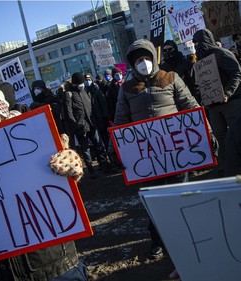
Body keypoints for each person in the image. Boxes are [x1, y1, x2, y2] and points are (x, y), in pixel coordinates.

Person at [0, 81, 88, 281]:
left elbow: (64, 179)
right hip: (4, 272)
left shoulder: (33, 141)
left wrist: (71, 162)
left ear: (3, 117)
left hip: (53, 265)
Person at [112, 38, 214, 260]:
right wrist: (116, 149)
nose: (143, 62)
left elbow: (191, 106)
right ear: (132, 63)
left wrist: (207, 132)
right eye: (138, 60)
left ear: (153, 58)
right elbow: (120, 120)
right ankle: (159, 241)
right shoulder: (127, 88)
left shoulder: (171, 77)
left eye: (146, 57)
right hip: (148, 158)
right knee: (154, 201)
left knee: (181, 196)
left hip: (177, 153)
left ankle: (190, 236)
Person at [193, 28, 241, 177]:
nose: (196, 45)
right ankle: (226, 168)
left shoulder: (222, 54)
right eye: (194, 43)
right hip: (213, 106)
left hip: (231, 102)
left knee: (236, 135)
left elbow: (237, 73)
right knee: (220, 137)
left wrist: (227, 92)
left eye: (198, 42)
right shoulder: (200, 61)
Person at [63, 72, 110, 178]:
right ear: (74, 84)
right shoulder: (69, 94)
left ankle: (104, 164)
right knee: (85, 149)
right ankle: (91, 170)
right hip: (80, 126)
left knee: (98, 144)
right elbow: (68, 112)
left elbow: (91, 107)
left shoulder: (85, 91)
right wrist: (76, 124)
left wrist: (96, 120)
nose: (82, 84)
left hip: (91, 123)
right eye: (80, 83)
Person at [84, 73, 110, 148]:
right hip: (92, 120)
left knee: (105, 138)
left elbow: (103, 104)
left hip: (100, 119)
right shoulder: (84, 92)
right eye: (85, 80)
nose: (87, 81)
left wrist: (105, 117)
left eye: (89, 80)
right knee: (97, 141)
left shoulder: (96, 90)